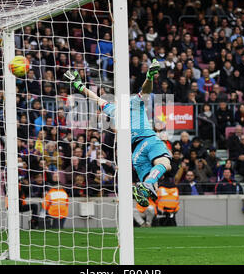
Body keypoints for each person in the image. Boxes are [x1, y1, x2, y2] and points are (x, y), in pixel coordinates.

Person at [64, 59, 171, 207]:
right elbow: (146, 91)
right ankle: (146, 187)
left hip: (136, 153)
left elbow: (95, 98)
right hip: (148, 140)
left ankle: (146, 189)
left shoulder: (112, 110)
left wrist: (79, 86)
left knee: (152, 183)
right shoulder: (134, 102)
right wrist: (149, 77)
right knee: (164, 163)